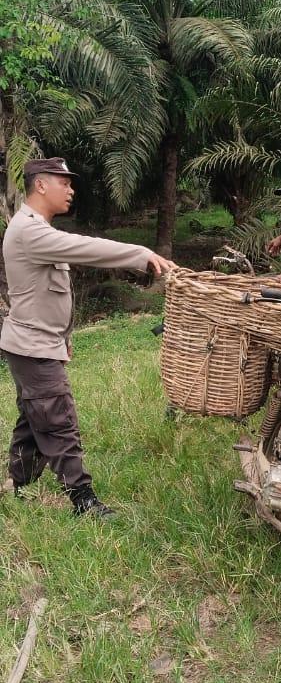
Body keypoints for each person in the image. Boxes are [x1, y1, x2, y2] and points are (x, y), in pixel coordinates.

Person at [1, 157, 174, 517]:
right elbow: (87, 248)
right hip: (32, 346)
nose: (71, 189)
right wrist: (140, 254)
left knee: (35, 418)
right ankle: (83, 500)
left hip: (36, 342)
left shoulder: (34, 228)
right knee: (57, 418)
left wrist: (63, 336)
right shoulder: (30, 230)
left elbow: (48, 294)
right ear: (41, 185)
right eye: (63, 182)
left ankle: (16, 488)